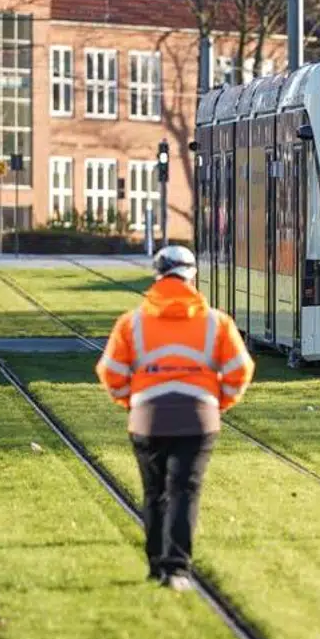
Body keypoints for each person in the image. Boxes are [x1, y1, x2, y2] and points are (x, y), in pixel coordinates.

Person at [96, 245, 255, 592]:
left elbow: (110, 372)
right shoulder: (217, 323)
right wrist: (219, 402)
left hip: (147, 418)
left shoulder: (131, 323)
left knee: (154, 492)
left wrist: (130, 401)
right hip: (197, 419)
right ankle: (177, 568)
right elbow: (240, 370)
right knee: (185, 491)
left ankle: (155, 565)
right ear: (193, 276)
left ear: (157, 275)